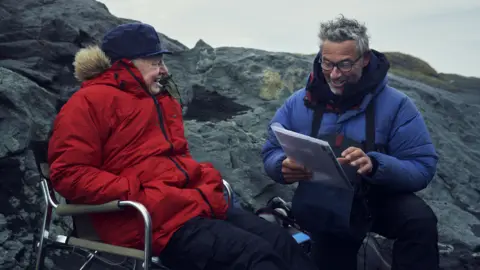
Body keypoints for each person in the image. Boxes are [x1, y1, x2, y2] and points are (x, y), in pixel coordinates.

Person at [48, 22, 317, 270]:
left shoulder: (159, 101)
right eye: (155, 62)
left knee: (281, 242)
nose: (164, 70)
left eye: (162, 61)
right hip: (148, 223)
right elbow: (67, 172)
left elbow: (170, 159)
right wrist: (135, 191)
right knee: (256, 258)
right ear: (126, 65)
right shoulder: (88, 103)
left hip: (191, 208)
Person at [261, 15, 440, 270]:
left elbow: (423, 166)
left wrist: (376, 165)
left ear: (364, 59)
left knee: (420, 222)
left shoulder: (397, 105)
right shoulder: (298, 103)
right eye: (327, 63)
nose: (334, 74)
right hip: (325, 203)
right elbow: (270, 150)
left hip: (377, 197)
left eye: (344, 65)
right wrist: (280, 165)